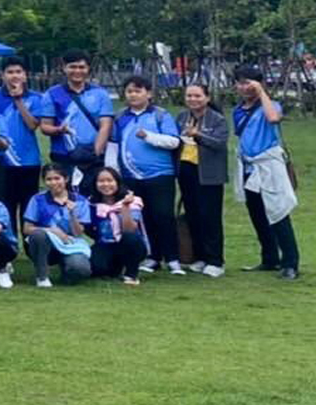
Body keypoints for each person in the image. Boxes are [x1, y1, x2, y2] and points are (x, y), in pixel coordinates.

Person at [232, 65, 300, 279]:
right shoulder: (237, 110)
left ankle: (290, 262)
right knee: (257, 215)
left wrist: (262, 93)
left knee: (278, 212)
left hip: (268, 165)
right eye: (240, 82)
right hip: (249, 167)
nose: (244, 87)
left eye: (248, 82)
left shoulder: (271, 105)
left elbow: (272, 118)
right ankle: (269, 258)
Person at [114, 75, 184, 275]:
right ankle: (153, 257)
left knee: (163, 215)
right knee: (143, 218)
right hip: (130, 176)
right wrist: (114, 173)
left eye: (138, 91)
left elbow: (174, 142)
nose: (133, 95)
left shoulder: (161, 115)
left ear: (149, 93)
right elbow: (113, 145)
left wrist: (149, 137)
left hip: (160, 174)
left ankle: (173, 258)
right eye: (129, 91)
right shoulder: (120, 117)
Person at [40, 50, 115, 197]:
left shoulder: (100, 93)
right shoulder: (52, 94)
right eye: (72, 67)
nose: (77, 71)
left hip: (94, 156)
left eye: (82, 67)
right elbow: (45, 126)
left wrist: (96, 152)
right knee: (64, 197)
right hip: (63, 156)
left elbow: (106, 125)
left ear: (88, 69)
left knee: (95, 198)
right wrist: (59, 130)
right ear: (64, 68)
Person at [176, 81, 229, 276]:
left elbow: (219, 143)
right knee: (193, 215)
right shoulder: (182, 117)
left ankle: (215, 260)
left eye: (197, 96)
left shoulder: (217, 119)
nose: (193, 99)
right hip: (186, 171)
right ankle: (199, 257)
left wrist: (198, 135)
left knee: (210, 217)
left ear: (207, 98)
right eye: (189, 96)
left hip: (209, 174)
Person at [0, 59, 49, 216]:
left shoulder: (36, 98)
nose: (14, 76)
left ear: (25, 75)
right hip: (1, 160)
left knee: (28, 209)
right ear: (2, 75)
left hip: (28, 161)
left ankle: (28, 240)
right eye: (10, 72)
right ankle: (11, 240)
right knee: (5, 208)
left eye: (18, 72)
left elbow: (32, 125)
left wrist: (18, 100)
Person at [23, 165, 94, 287]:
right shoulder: (37, 199)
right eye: (49, 179)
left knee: (81, 269)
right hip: (46, 244)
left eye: (57, 178)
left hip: (71, 244)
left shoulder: (81, 201)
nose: (53, 183)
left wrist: (73, 214)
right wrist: (53, 230)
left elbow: (78, 233)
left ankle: (66, 272)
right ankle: (42, 276)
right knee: (38, 235)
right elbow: (27, 228)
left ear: (66, 179)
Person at [87, 167, 149, 285]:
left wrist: (125, 207)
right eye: (101, 181)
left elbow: (130, 229)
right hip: (106, 244)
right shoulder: (91, 203)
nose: (105, 184)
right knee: (96, 268)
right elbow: (89, 229)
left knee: (130, 237)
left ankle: (131, 274)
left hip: (131, 244)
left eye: (110, 181)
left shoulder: (133, 201)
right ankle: (115, 269)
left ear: (117, 182)